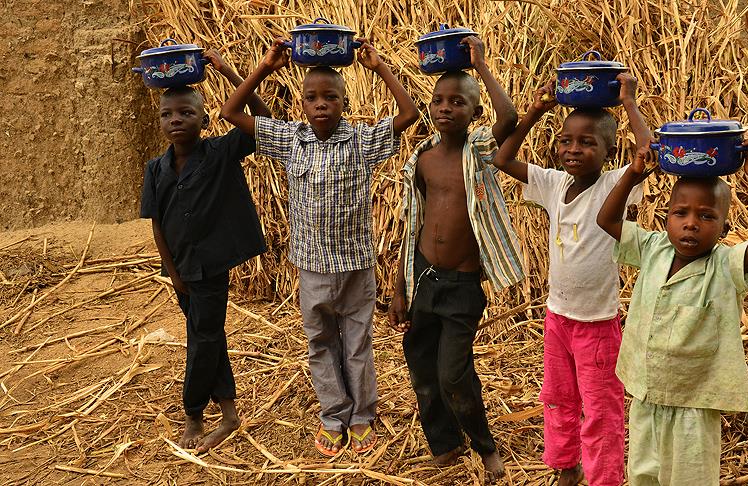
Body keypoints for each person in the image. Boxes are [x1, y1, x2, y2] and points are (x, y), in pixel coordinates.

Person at [220, 37, 419, 456]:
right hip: (311, 269)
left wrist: (379, 67)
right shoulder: (290, 139)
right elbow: (230, 112)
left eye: (331, 97)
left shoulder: (361, 142)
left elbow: (409, 114)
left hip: (355, 266)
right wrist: (265, 67)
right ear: (302, 105)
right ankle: (334, 415)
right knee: (321, 344)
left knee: (358, 343)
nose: (321, 104)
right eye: (311, 98)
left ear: (345, 102)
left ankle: (362, 415)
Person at [490, 76, 651, 485]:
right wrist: (537, 111)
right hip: (557, 319)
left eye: (586, 143)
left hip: (598, 325)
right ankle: (566, 466)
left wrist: (628, 101)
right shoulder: (553, 183)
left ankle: (604, 479)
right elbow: (503, 159)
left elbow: (648, 152)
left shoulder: (617, 185)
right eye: (565, 141)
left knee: (602, 409)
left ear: (610, 152)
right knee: (558, 399)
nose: (573, 150)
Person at [596, 141, 748, 485]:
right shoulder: (653, 249)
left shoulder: (726, 266)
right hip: (646, 395)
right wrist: (633, 174)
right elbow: (606, 219)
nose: (691, 224)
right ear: (666, 218)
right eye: (680, 213)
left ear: (724, 229)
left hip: (694, 404)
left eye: (706, 216)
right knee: (642, 476)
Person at [387, 36, 521, 483]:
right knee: (422, 368)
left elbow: (510, 118)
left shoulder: (477, 154)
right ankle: (445, 444)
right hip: (424, 275)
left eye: (458, 102)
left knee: (453, 374)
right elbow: (412, 228)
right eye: (439, 100)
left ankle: (485, 447)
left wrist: (480, 64)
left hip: (462, 285)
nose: (446, 108)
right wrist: (399, 288)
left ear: (473, 113)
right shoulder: (421, 159)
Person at [139, 49, 270, 453]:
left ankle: (193, 413)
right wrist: (171, 271)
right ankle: (229, 413)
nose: (175, 120)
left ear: (204, 119)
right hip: (180, 271)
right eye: (167, 114)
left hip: (211, 268)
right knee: (208, 337)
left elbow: (263, 123)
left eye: (185, 113)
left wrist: (230, 71)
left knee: (202, 339)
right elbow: (157, 224)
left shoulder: (219, 153)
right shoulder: (155, 169)